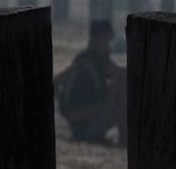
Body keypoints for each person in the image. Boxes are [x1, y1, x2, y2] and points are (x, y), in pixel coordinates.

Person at [54, 19, 127, 147]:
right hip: (86, 128)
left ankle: (123, 137)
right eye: (106, 41)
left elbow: (57, 82)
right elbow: (57, 81)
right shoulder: (87, 63)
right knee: (122, 84)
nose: (108, 47)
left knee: (122, 80)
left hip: (82, 126)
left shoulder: (92, 60)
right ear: (96, 40)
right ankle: (123, 139)